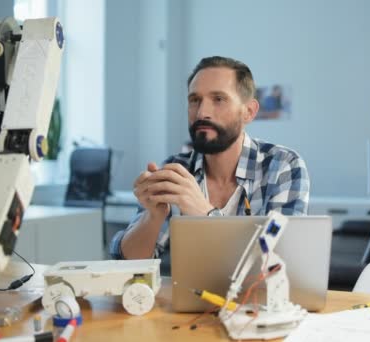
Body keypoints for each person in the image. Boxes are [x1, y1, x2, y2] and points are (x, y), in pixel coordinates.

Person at [110, 56, 310, 260]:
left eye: (219, 99)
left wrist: (206, 215)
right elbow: (127, 262)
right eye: (195, 100)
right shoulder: (177, 170)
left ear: (248, 112)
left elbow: (280, 262)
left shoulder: (283, 167)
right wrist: (152, 217)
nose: (202, 112)